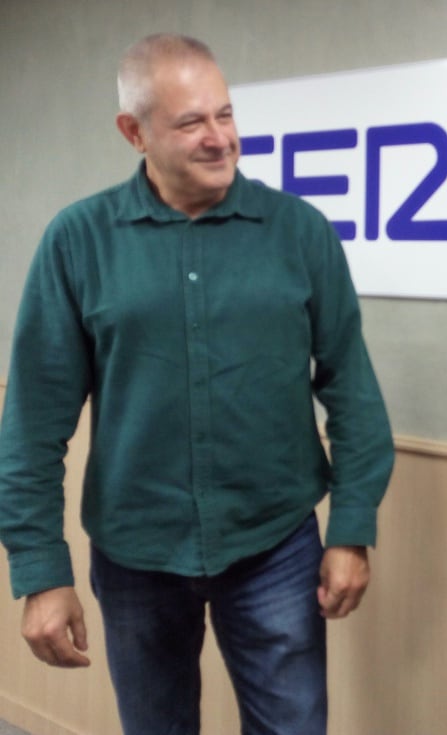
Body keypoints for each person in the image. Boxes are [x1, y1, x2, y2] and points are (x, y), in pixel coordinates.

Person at [0, 34, 394, 735]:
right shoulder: (78, 241)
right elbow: (32, 425)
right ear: (134, 131)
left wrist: (353, 527)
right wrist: (40, 570)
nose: (220, 138)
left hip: (275, 544)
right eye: (191, 122)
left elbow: (353, 392)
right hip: (134, 554)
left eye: (226, 114)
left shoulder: (299, 232)